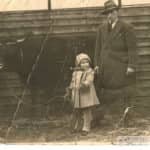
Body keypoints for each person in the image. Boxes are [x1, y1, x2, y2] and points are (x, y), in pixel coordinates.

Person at [94, 0, 137, 124]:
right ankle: (99, 119)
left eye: (112, 12)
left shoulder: (126, 27)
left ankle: (128, 119)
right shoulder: (101, 28)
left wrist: (131, 66)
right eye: (107, 13)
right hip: (105, 67)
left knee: (125, 92)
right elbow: (98, 48)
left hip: (120, 67)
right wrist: (97, 64)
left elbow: (132, 49)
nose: (109, 15)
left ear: (117, 12)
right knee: (103, 93)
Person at [65, 53, 100, 136]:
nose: (85, 64)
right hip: (77, 94)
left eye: (87, 62)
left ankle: (86, 127)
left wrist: (84, 84)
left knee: (86, 110)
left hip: (86, 93)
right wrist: (70, 88)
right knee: (77, 110)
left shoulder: (90, 71)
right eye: (82, 63)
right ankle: (77, 126)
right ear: (78, 64)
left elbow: (89, 80)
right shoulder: (75, 73)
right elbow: (73, 81)